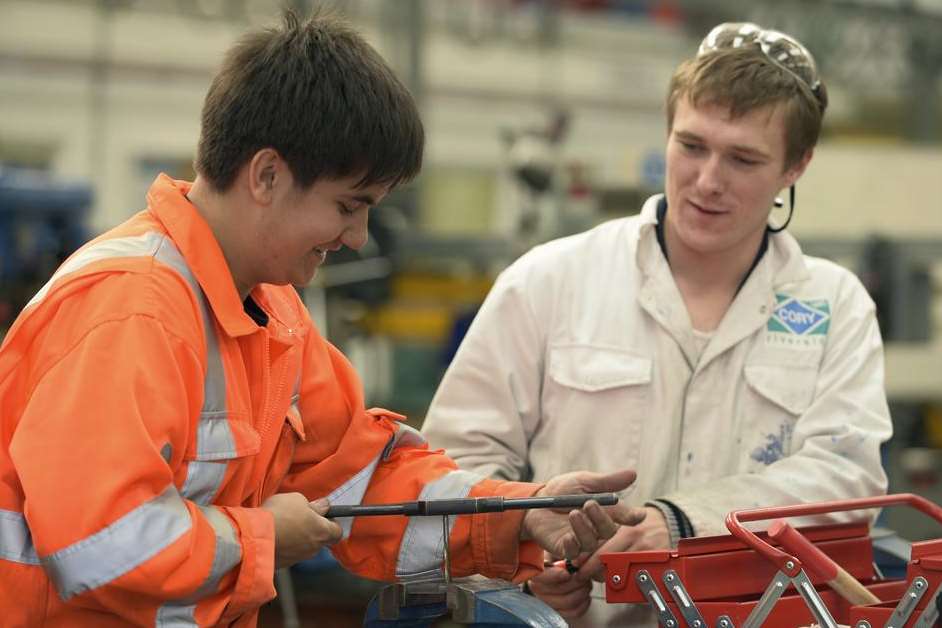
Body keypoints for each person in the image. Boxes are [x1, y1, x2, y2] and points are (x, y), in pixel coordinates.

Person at [0, 10, 647, 627]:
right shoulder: (131, 314)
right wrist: (261, 538)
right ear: (268, 175)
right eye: (348, 205)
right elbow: (97, 543)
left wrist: (525, 513)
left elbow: (364, 479)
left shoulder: (268, 311)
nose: (360, 236)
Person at [421, 22, 893, 626]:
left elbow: (848, 480)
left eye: (743, 159)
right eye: (691, 146)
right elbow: (451, 466)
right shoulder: (550, 280)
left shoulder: (834, 306)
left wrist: (683, 521)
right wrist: (524, 565)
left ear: (796, 165)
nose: (708, 181)